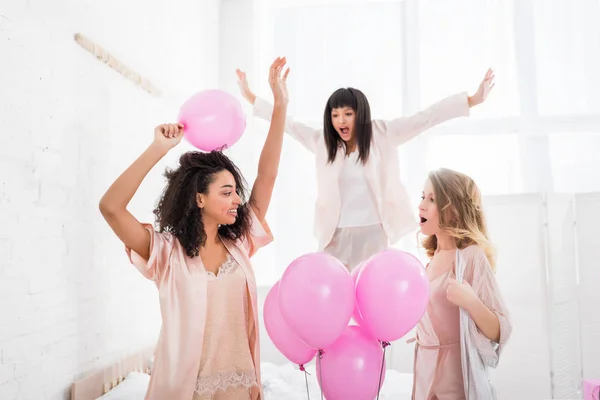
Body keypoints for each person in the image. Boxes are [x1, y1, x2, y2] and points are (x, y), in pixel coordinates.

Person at [99, 57, 290, 400]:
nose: (237, 200)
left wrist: (280, 106)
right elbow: (111, 208)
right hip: (185, 391)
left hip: (239, 387)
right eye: (226, 192)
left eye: (237, 191)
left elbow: (268, 175)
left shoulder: (240, 242)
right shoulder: (165, 252)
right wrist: (158, 148)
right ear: (199, 199)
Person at [236, 67, 495, 270]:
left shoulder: (382, 134)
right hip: (334, 235)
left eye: (347, 114)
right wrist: (250, 96)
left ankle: (378, 339)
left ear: (359, 113)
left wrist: (472, 100)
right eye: (335, 115)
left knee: (373, 294)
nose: (340, 121)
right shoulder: (322, 142)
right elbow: (287, 124)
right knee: (331, 293)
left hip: (374, 233)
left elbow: (425, 118)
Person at [410, 168, 512, 399]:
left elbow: (500, 329)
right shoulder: (430, 261)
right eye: (422, 196)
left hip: (457, 380)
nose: (422, 205)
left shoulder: (470, 256)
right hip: (426, 374)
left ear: (453, 210)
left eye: (432, 199)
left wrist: (471, 302)